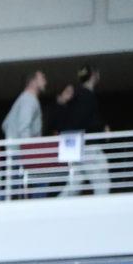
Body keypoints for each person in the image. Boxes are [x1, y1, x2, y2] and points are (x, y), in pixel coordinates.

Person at [56, 67, 108, 197]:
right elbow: (81, 120)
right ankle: (104, 213)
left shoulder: (77, 95)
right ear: (94, 75)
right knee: (102, 182)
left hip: (75, 145)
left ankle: (54, 209)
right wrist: (102, 129)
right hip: (87, 146)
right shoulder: (86, 95)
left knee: (75, 183)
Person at [3, 71, 45, 199]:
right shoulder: (28, 99)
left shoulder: (24, 99)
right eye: (42, 78)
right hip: (22, 154)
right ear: (33, 82)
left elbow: (5, 124)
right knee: (42, 179)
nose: (45, 81)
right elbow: (24, 128)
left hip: (16, 153)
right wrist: (31, 153)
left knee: (13, 190)